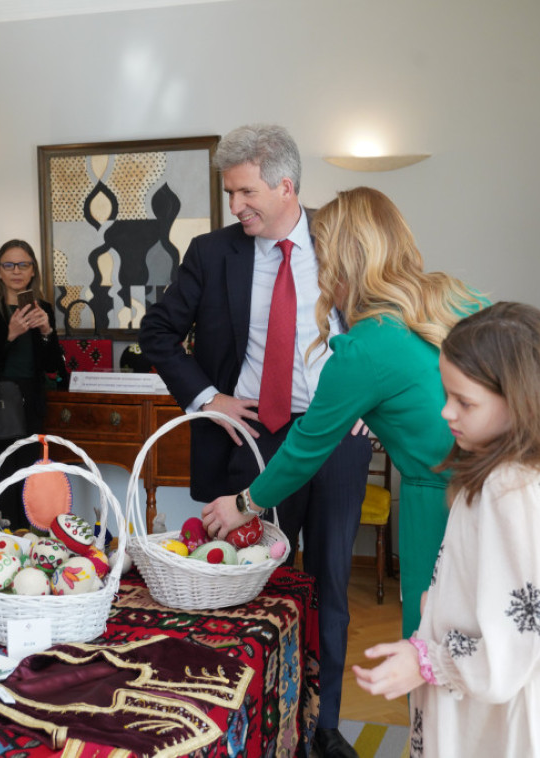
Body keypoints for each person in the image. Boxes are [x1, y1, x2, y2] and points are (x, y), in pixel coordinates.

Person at [138, 124, 373, 758]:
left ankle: (324, 728)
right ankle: (259, 722)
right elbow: (157, 332)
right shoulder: (212, 253)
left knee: (328, 580)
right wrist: (207, 397)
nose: (235, 205)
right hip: (253, 437)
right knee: (254, 582)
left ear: (285, 185)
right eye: (230, 193)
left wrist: (372, 404)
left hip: (334, 434)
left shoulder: (342, 240)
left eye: (245, 192)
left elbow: (387, 319)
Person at [199, 186, 486, 642]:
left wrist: (241, 505)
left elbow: (306, 447)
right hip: (497, 492)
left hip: (439, 503)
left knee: (433, 646)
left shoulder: (363, 348)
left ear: (337, 261)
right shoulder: (456, 296)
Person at [352, 302, 540, 758]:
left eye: (464, 402)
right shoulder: (521, 471)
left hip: (518, 709)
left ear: (520, 402)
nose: (446, 412)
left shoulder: (510, 488)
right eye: (447, 394)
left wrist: (427, 662)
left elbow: (532, 634)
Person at [0, 239, 67, 530]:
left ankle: (24, 542)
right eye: (9, 265)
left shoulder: (43, 308)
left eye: (23, 265)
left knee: (27, 482)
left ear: (33, 271)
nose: (16, 271)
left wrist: (46, 331)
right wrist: (9, 334)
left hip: (28, 405)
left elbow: (53, 368)